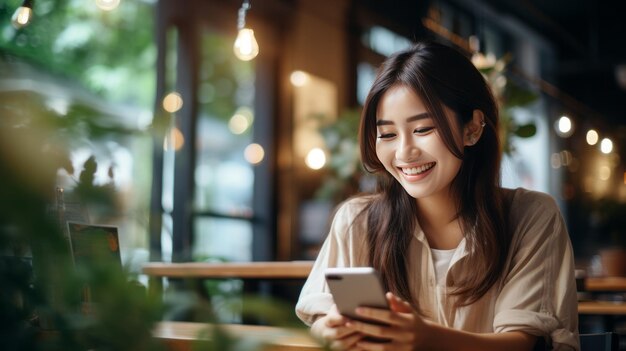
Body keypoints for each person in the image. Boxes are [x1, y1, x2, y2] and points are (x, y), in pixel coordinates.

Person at [295, 40, 579, 350]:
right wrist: (332, 331)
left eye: (423, 129)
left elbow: (521, 343)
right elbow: (320, 320)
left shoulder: (531, 215)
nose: (405, 152)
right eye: (387, 134)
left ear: (472, 128)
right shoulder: (356, 220)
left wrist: (427, 339)